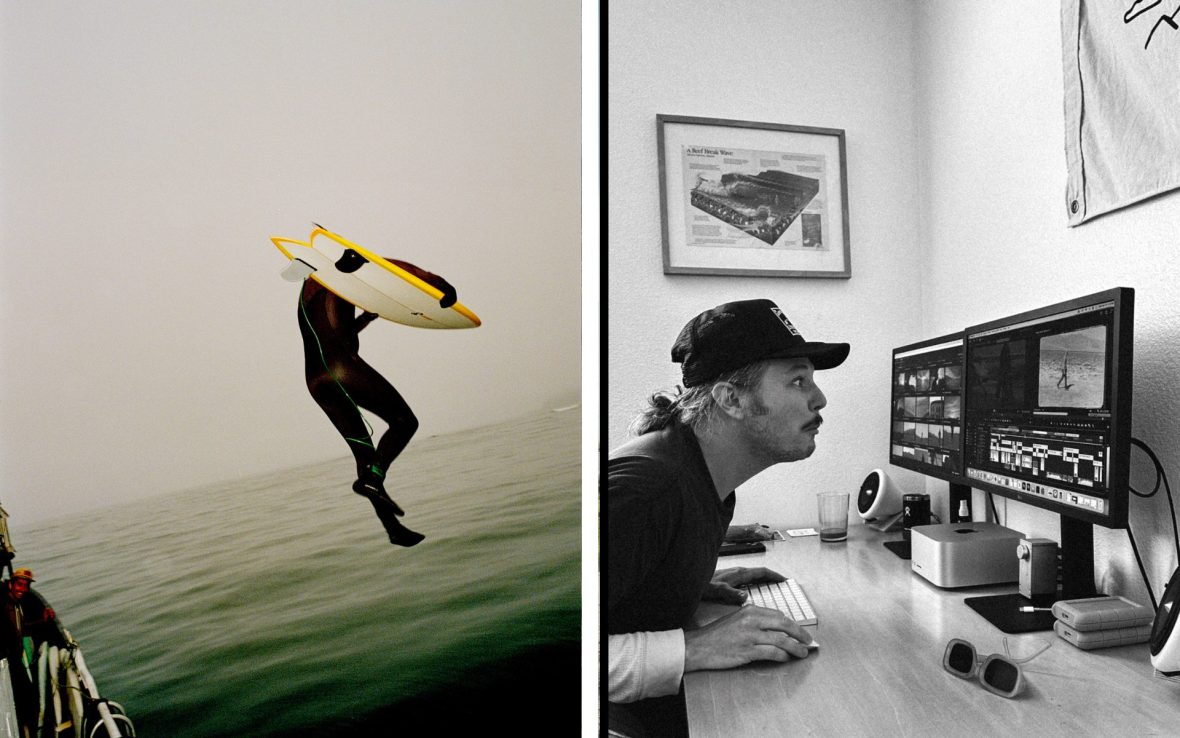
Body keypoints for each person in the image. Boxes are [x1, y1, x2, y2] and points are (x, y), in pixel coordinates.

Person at [607, 299, 849, 738]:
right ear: (731, 399)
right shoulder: (646, 491)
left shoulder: (703, 477)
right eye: (797, 381)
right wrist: (693, 648)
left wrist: (685, 585)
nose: (819, 397)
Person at [297, 252, 457, 547]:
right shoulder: (338, 271)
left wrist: (363, 321)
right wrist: (442, 286)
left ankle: (392, 528)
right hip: (342, 369)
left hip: (316, 381)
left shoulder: (309, 296)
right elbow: (395, 269)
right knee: (404, 422)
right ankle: (374, 479)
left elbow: (333, 332)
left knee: (366, 458)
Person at [1, 568, 65, 737]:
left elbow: (22, 630)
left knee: (28, 700)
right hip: (9, 663)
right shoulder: (5, 606)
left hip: (15, 662)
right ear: (10, 584)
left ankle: (28, 727)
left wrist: (43, 621)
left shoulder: (16, 606)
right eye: (19, 585)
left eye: (26, 586)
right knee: (27, 700)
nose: (22, 589)